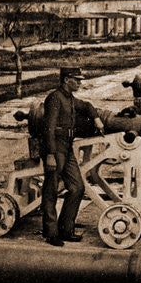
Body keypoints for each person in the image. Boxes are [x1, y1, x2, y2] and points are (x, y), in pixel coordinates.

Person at [40, 66, 104, 246]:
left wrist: (97, 118)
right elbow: (49, 129)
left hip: (67, 147)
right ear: (66, 80)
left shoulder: (69, 99)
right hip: (56, 148)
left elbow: (87, 106)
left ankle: (66, 229)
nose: (79, 83)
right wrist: (51, 155)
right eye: (77, 80)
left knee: (77, 188)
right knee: (51, 190)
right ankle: (51, 233)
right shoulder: (54, 98)